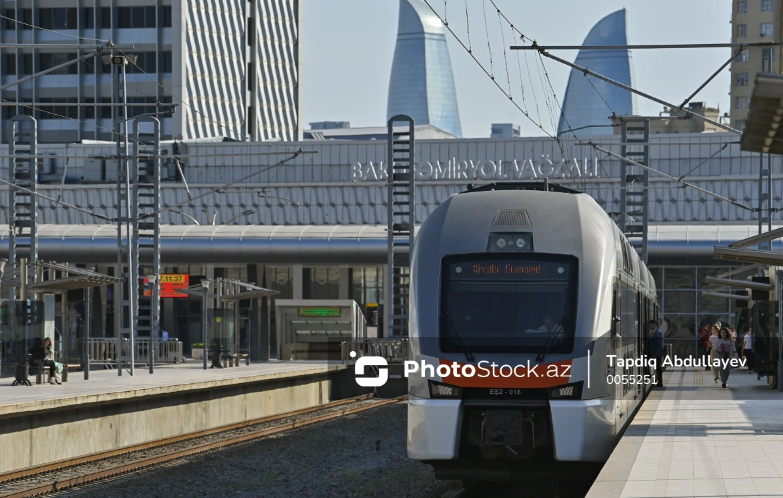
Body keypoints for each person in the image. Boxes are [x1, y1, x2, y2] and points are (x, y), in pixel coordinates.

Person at [647, 320, 664, 387]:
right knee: (656, 367)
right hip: (653, 353)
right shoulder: (653, 333)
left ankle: (660, 382)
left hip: (657, 354)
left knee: (658, 368)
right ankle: (650, 375)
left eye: (650, 325)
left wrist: (655, 354)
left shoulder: (658, 333)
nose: (649, 326)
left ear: (654, 324)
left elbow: (659, 344)